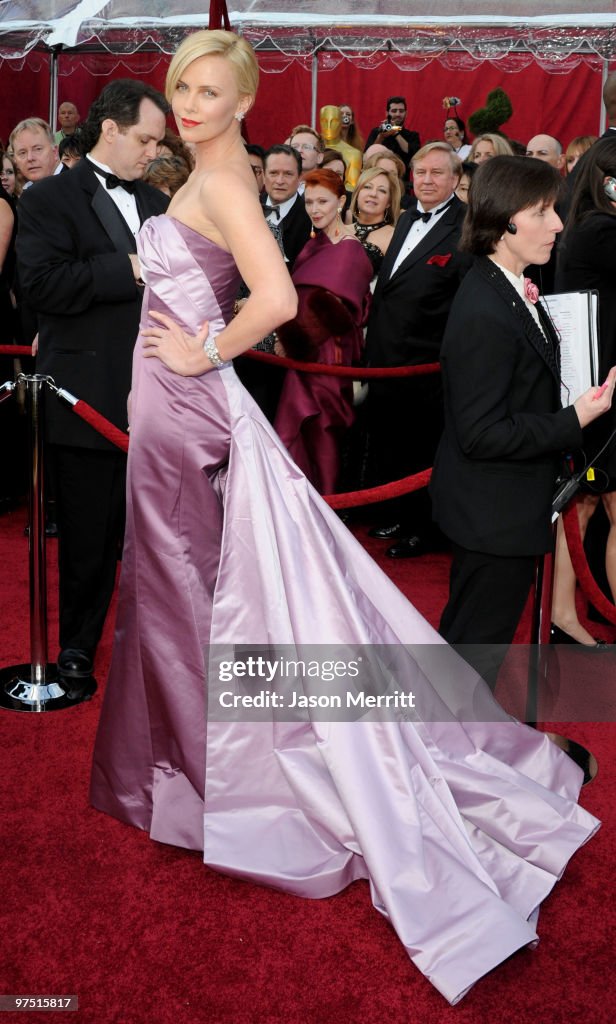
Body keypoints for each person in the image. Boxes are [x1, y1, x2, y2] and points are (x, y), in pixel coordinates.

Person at [90, 29, 600, 1007]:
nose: (190, 103)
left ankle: (216, 793)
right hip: (167, 419)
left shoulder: (228, 180)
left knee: (191, 603)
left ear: (240, 102)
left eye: (210, 90)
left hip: (188, 417)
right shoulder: (210, 175)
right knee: (182, 602)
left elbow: (277, 297)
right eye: (181, 87)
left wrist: (201, 350)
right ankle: (198, 786)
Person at [430, 156, 616, 689]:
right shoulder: (484, 309)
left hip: (506, 505)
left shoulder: (507, 284)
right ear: (507, 219)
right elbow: (482, 433)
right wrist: (574, 418)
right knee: (471, 657)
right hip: (492, 513)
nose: (559, 223)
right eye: (543, 211)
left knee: (473, 653)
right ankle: (444, 762)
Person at [16, 79, 170, 681]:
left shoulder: (160, 204)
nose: (153, 151)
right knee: (88, 534)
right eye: (145, 138)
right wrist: (127, 268)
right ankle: (77, 644)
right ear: (109, 128)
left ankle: (154, 644)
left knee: (157, 535)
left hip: (161, 392)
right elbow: (43, 286)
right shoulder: (47, 199)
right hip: (87, 397)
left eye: (159, 141)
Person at [364, 142, 469, 558]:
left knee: (424, 449)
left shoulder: (466, 228)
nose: (426, 180)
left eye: (436, 173)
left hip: (428, 368)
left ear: (456, 180)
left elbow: (462, 301)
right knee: (392, 442)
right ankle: (399, 515)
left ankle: (425, 530)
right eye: (420, 172)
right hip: (387, 359)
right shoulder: (406, 217)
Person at [551, 137, 616, 646]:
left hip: (594, 384)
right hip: (602, 387)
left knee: (588, 504)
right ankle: (569, 615)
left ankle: (563, 614)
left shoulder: (587, 225)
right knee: (602, 504)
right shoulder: (600, 229)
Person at [273, 167, 373, 493]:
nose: (315, 209)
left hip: (327, 356)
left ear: (341, 201)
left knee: (321, 428)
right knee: (302, 430)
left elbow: (336, 315)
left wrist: (289, 343)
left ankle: (326, 506)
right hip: (301, 351)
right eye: (310, 202)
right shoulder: (315, 243)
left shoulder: (349, 249)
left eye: (323, 201)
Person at [347, 165, 399, 273]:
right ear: (357, 193)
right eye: (367, 187)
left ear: (389, 202)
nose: (373, 194)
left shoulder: (395, 236)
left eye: (382, 191)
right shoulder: (341, 230)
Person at [364, 96, 420, 178]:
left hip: (402, 183)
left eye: (401, 111)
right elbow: (367, 157)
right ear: (387, 113)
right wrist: (381, 137)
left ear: (406, 113)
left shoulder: (412, 135)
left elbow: (413, 156)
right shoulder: (377, 132)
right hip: (377, 178)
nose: (398, 114)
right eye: (394, 111)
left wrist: (395, 132)